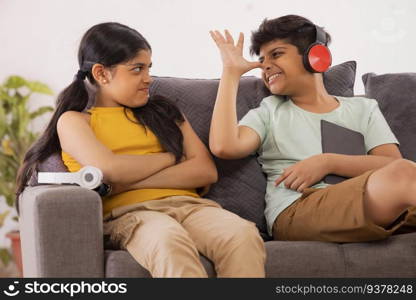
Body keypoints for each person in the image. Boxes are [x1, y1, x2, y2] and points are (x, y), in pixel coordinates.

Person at [16, 22, 265, 278]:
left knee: (242, 235)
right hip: (130, 214)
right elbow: (110, 169)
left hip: (191, 206)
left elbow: (205, 170)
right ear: (102, 74)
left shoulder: (165, 112)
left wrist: (126, 182)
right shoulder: (74, 121)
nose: (148, 78)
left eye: (148, 68)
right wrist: (172, 157)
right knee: (169, 241)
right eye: (137, 69)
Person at [209, 14, 416, 242]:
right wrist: (230, 72)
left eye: (276, 54)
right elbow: (224, 146)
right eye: (261, 59)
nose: (265, 65)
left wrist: (328, 162)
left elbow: (391, 163)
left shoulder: (363, 109)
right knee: (404, 174)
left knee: (404, 176)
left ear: (316, 57)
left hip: (366, 197)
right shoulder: (269, 112)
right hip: (297, 207)